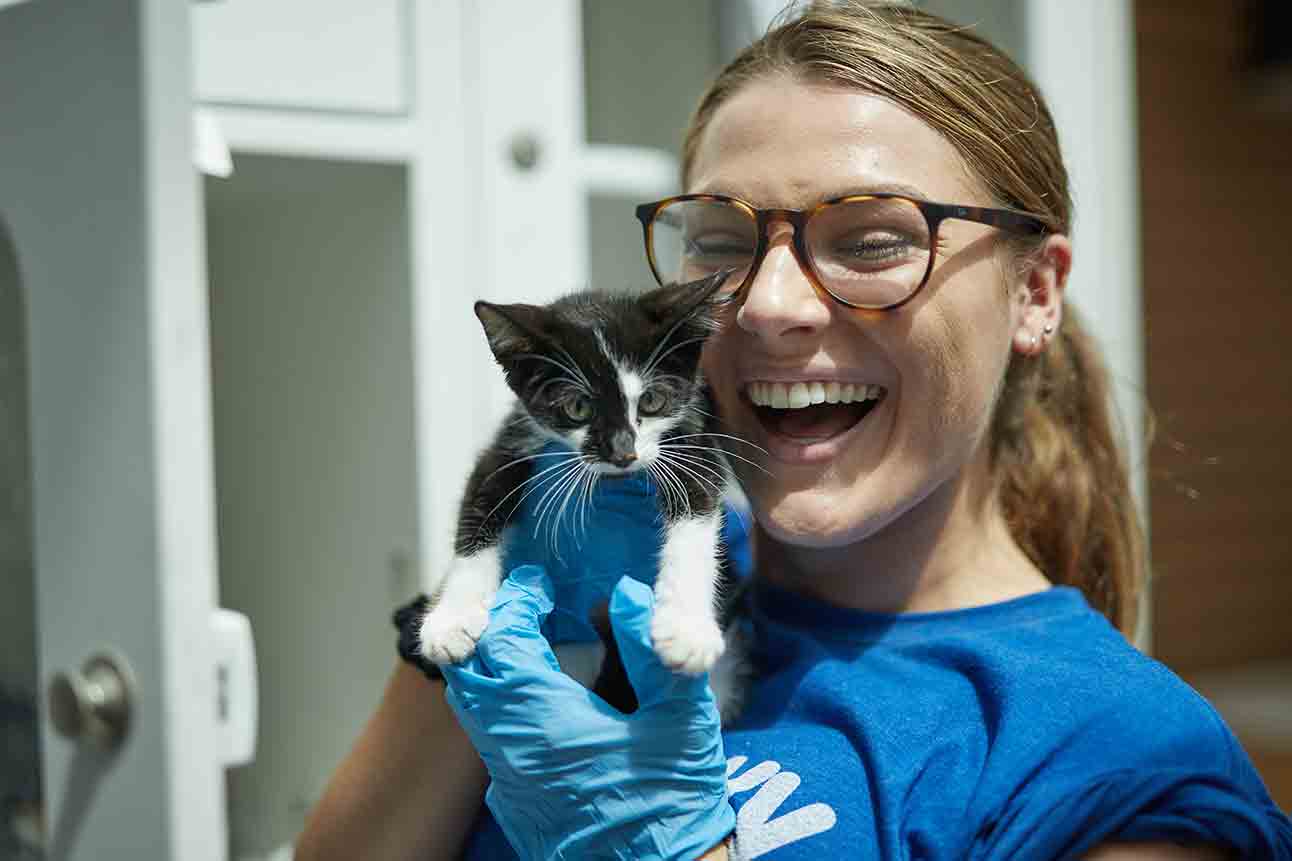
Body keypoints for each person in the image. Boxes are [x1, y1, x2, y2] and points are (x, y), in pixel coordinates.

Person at [295, 2, 1292, 859]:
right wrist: (466, 625)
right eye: (721, 246)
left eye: (868, 241)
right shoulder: (597, 574)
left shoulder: (1113, 760)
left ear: (1033, 292)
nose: (768, 305)